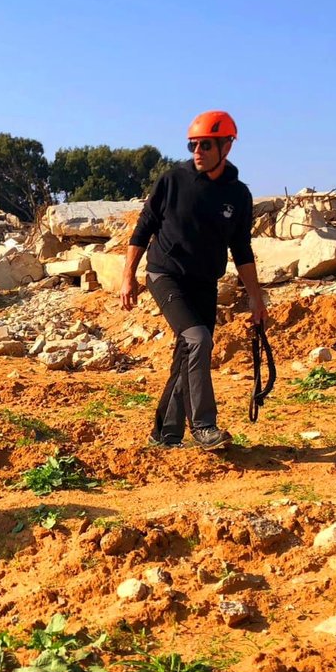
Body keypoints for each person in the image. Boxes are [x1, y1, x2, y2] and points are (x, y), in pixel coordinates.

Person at [120, 111, 266, 451]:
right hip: (165, 274)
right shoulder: (173, 180)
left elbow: (242, 249)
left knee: (187, 354)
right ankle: (204, 426)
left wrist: (256, 298)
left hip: (205, 283)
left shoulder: (238, 195)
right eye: (193, 144)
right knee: (198, 340)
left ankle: (165, 434)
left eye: (205, 145)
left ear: (226, 147)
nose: (197, 151)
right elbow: (143, 228)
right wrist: (128, 276)